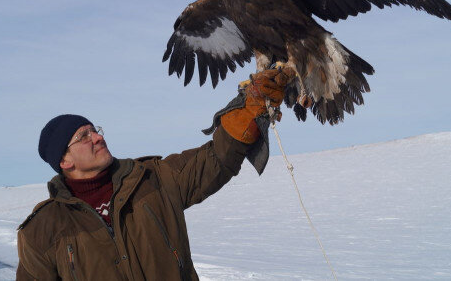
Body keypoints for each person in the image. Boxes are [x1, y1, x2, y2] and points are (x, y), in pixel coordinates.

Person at [16, 66, 296, 280]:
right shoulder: (42, 229)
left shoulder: (152, 178)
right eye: (83, 136)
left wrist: (247, 110)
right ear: (64, 161)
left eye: (94, 130)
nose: (97, 137)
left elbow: (214, 161)